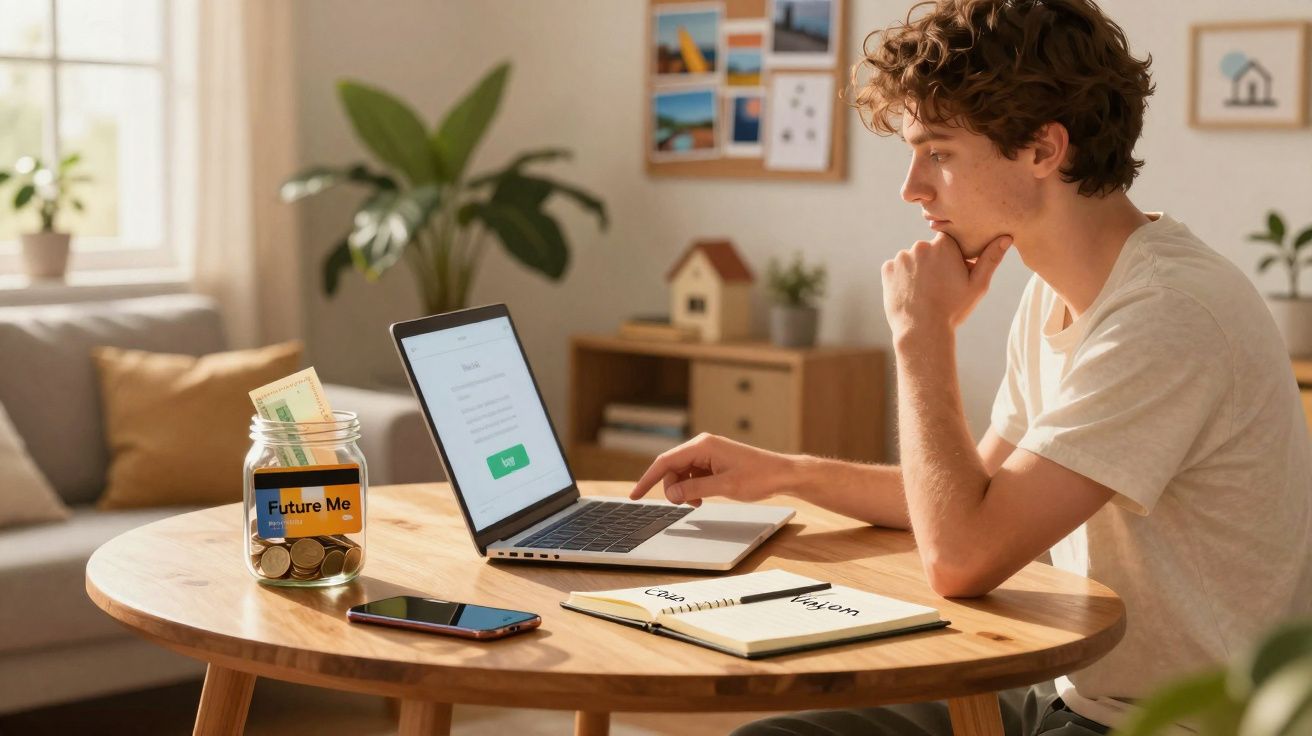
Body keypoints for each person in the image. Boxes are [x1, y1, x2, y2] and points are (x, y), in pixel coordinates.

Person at [628, 0, 1312, 733]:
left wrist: (921, 334)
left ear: (1045, 150)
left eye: (940, 152)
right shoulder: (1057, 288)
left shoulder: (1168, 316)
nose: (912, 187)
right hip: (1076, 695)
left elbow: (962, 555)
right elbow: (971, 496)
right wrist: (785, 473)